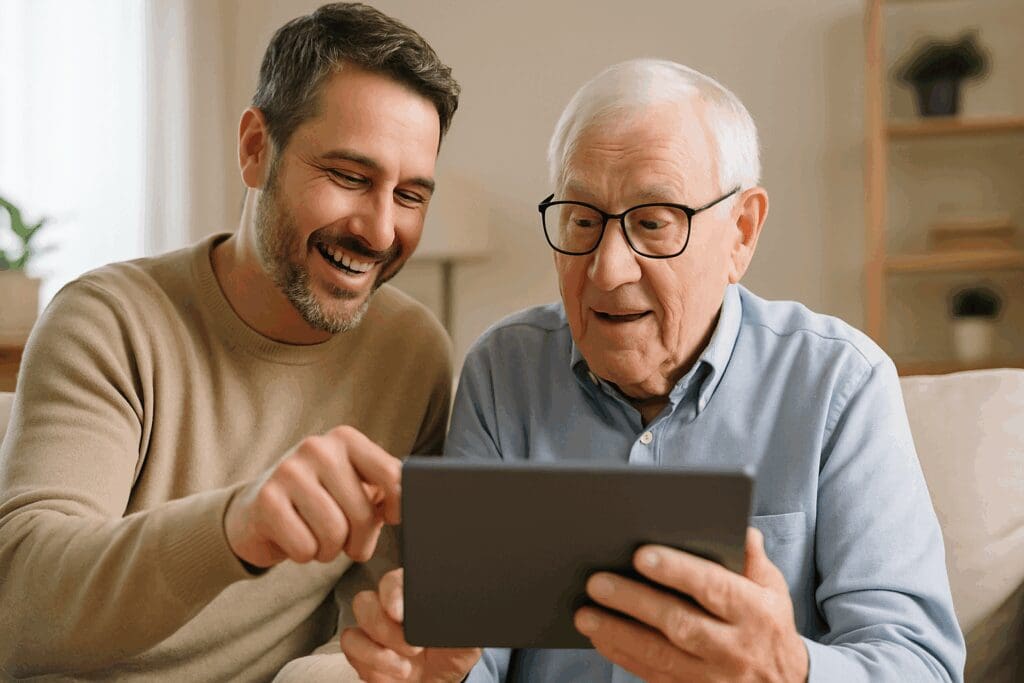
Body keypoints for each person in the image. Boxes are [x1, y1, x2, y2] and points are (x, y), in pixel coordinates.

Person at [341, 59, 966, 682]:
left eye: (653, 223)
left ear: (741, 233)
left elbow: (921, 664)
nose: (608, 270)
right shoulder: (503, 375)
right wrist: (436, 672)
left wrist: (787, 668)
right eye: (582, 221)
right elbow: (470, 655)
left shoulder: (839, 385)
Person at [0, 3, 459, 680]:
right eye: (350, 177)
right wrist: (234, 526)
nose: (382, 230)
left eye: (411, 194)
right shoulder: (107, 321)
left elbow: (370, 632)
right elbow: (20, 606)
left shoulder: (414, 354)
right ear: (255, 149)